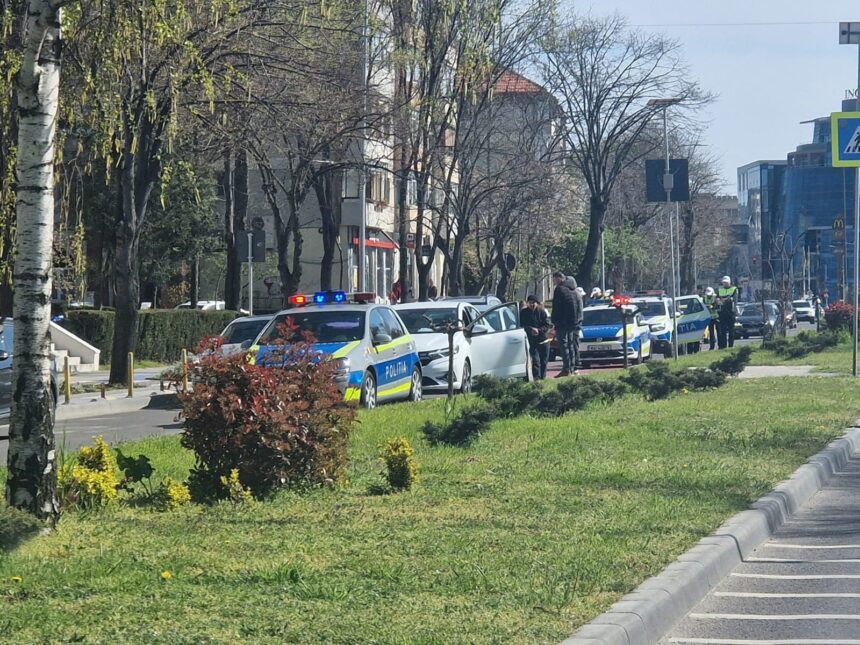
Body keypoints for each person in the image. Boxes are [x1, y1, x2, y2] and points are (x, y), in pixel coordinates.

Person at [551, 271, 583, 377]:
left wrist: (555, 321)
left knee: (564, 345)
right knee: (571, 345)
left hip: (562, 323)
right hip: (572, 323)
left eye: (555, 279)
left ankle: (567, 369)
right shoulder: (574, 291)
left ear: (560, 278)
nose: (554, 282)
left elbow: (557, 308)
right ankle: (572, 368)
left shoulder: (560, 290)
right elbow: (576, 308)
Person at [521, 295, 551, 379]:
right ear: (527, 303)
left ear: (537, 303)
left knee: (544, 361)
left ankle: (543, 377)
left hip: (543, 339)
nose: (532, 305)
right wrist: (531, 329)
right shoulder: (524, 313)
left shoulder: (542, 312)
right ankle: (536, 378)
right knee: (536, 360)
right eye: (530, 303)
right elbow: (522, 325)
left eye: (534, 303)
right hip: (532, 340)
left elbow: (547, 325)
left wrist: (539, 330)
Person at [716, 275, 739, 349]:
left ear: (729, 282)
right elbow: (717, 300)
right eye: (723, 282)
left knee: (731, 331)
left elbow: (734, 299)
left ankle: (730, 346)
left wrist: (724, 299)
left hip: (731, 312)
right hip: (722, 313)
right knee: (722, 331)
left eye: (726, 282)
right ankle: (723, 346)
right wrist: (724, 300)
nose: (724, 284)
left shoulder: (734, 289)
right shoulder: (720, 290)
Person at [703, 286, 719, 350]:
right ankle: (712, 346)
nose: (708, 296)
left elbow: (718, 306)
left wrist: (713, 306)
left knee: (719, 332)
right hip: (709, 318)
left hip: (717, 317)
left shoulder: (715, 298)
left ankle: (720, 346)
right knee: (711, 333)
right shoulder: (704, 298)